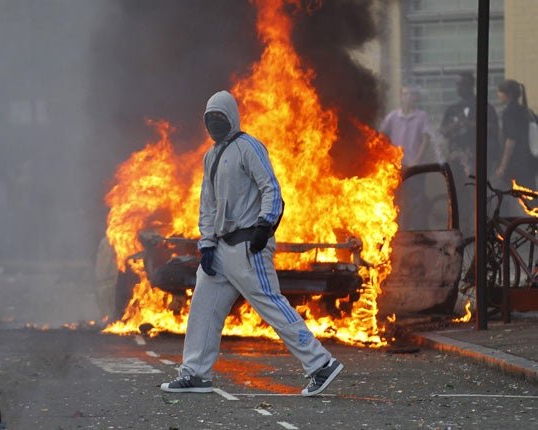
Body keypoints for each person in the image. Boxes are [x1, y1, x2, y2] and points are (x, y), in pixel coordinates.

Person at [160, 90, 343, 397]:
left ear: (232, 117)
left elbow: (271, 188)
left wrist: (264, 225)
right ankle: (195, 374)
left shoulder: (249, 147)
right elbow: (207, 203)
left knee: (271, 305)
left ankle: (321, 364)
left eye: (219, 117)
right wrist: (206, 244)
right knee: (203, 308)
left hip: (248, 246)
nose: (214, 123)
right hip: (219, 250)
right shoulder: (211, 155)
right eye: (209, 118)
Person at [440, 72, 500, 233]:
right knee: (459, 193)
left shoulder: (484, 107)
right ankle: (464, 228)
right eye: (457, 84)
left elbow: (494, 129)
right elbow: (443, 131)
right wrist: (454, 127)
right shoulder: (453, 109)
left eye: (463, 84)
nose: (459, 88)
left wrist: (469, 124)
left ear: (471, 85)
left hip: (478, 158)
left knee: (479, 193)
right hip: (457, 159)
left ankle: (483, 228)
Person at [380, 84, 432, 230]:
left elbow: (426, 140)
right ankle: (399, 230)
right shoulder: (393, 116)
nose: (408, 97)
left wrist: (416, 160)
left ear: (415, 98)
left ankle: (416, 231)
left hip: (416, 167)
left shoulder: (421, 116)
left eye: (411, 94)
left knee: (416, 200)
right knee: (398, 200)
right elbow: (382, 136)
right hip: (397, 166)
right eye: (405, 94)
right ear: (400, 96)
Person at [495, 79, 536, 214]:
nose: (498, 94)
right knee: (530, 193)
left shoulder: (509, 112)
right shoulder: (526, 111)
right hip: (529, 160)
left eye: (500, 92)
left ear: (509, 94)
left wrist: (502, 166)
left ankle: (507, 225)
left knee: (501, 192)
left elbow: (511, 140)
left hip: (516, 162)